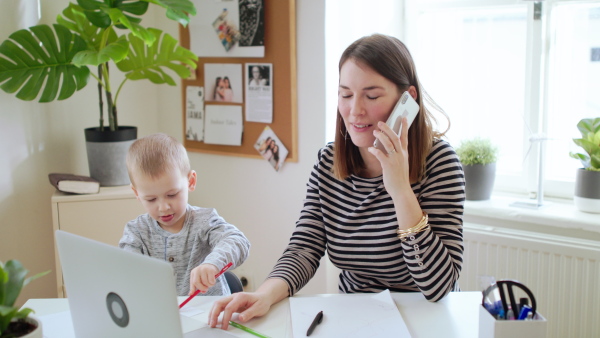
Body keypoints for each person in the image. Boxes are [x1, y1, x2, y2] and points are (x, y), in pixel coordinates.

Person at [208, 33, 465, 330]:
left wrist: (400, 190)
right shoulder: (329, 161)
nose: (355, 110)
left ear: (407, 98)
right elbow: (304, 248)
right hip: (355, 320)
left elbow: (438, 286)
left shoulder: (440, 162)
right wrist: (263, 294)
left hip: (426, 321)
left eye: (371, 96)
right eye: (345, 94)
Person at [119, 133, 251, 296]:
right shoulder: (136, 232)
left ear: (191, 181)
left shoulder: (204, 221)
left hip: (210, 314)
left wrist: (212, 263)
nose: (163, 207)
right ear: (136, 193)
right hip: (161, 313)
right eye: (151, 199)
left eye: (172, 194)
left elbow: (239, 241)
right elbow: (127, 266)